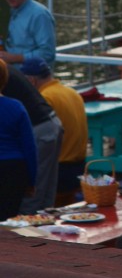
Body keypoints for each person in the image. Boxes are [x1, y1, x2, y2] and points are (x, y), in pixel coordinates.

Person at [20, 58, 87, 204]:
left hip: (60, 171)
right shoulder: (72, 92)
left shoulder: (43, 99)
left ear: (31, 80)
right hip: (80, 167)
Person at [3, 64, 63, 212]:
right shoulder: (5, 68)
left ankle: (28, 233)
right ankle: (47, 231)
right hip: (51, 123)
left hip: (39, 128)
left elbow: (28, 147)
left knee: (32, 196)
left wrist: (30, 181)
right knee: (46, 194)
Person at [0, 60, 38, 220]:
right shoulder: (16, 107)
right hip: (14, 170)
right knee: (9, 219)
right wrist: (31, 181)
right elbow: (29, 148)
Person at [0, 0, 57, 68]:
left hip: (33, 79)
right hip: (12, 75)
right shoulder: (12, 12)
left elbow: (48, 53)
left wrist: (15, 58)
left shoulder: (39, 15)